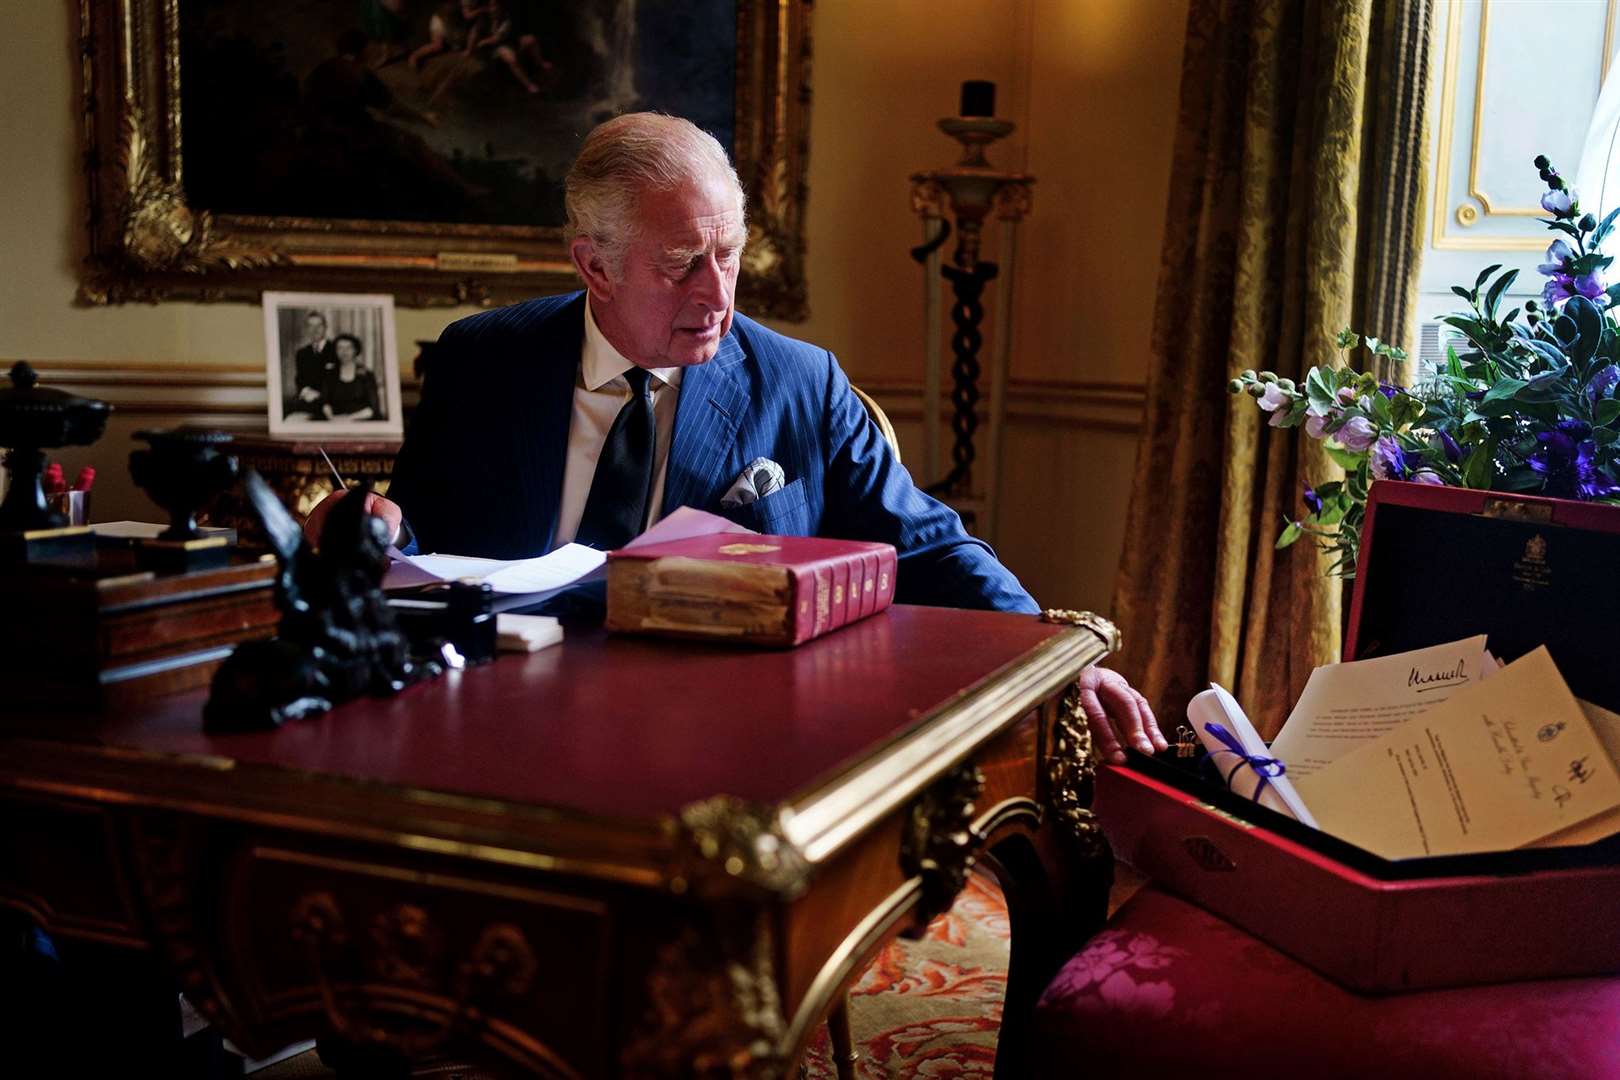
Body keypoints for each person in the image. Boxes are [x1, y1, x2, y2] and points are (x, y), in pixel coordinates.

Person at [303, 113, 1165, 764]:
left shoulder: (799, 381)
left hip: (714, 746)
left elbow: (928, 544)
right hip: (496, 725)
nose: (717, 293)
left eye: (731, 253)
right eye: (682, 262)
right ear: (593, 264)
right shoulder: (483, 360)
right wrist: (369, 526)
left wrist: (1058, 663)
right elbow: (421, 539)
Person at [321, 334, 382, 422]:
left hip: (362, 421)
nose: (344, 351)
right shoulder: (330, 374)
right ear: (335, 351)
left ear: (355, 350)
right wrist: (331, 418)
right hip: (335, 421)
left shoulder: (366, 374)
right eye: (340, 348)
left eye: (349, 348)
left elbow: (373, 408)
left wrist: (347, 419)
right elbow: (324, 402)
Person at [291, 312, 335, 419]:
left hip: (332, 401)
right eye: (311, 326)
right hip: (308, 401)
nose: (315, 330)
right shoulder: (302, 353)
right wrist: (306, 391)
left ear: (325, 327)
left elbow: (336, 380)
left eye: (319, 326)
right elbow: (299, 378)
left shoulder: (335, 349)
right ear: (307, 329)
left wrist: (319, 396)